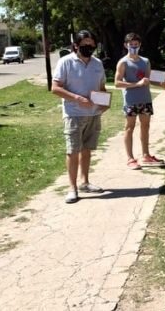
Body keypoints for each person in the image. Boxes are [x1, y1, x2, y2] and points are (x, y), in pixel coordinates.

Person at [51, 30, 108, 203]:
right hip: (73, 115)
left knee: (87, 149)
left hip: (93, 114)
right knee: (73, 151)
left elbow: (102, 88)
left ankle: (85, 182)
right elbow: (55, 88)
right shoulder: (65, 62)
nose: (89, 48)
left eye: (92, 45)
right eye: (85, 45)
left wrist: (104, 102)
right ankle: (72, 188)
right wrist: (76, 98)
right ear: (76, 45)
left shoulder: (97, 63)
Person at [114, 33, 165, 170]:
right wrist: (136, 85)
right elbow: (117, 83)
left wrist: (160, 83)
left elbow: (148, 79)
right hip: (130, 100)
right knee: (129, 127)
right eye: (131, 44)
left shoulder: (145, 61)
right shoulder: (123, 62)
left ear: (140, 45)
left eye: (136, 44)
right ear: (125, 45)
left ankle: (146, 155)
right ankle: (130, 158)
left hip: (145, 99)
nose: (133, 46)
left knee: (145, 127)